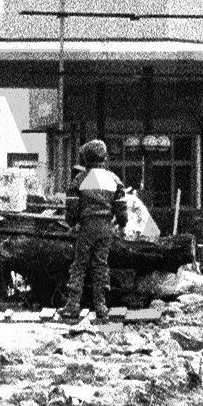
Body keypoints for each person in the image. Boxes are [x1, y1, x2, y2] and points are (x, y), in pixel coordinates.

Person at [61, 137, 124, 324]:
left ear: (86, 158)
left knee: (79, 265)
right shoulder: (114, 179)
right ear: (104, 157)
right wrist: (121, 223)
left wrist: (71, 223)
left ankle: (72, 306)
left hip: (87, 227)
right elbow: (121, 208)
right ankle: (101, 307)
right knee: (101, 266)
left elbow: (71, 209)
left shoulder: (79, 179)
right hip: (105, 228)